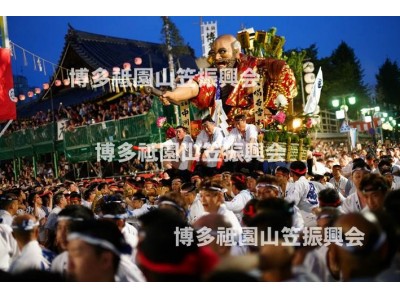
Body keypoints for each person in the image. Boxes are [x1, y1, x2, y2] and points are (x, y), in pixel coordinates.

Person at [160, 34, 297, 125]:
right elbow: (194, 86)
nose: (217, 58)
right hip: (226, 136)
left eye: (222, 52)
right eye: (214, 53)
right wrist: (172, 94)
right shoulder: (213, 75)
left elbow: (284, 86)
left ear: (237, 52)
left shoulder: (264, 66)